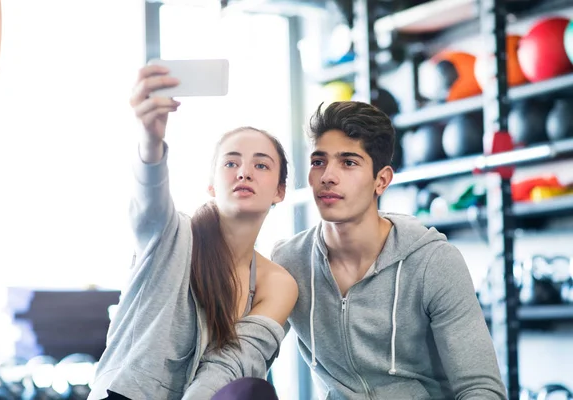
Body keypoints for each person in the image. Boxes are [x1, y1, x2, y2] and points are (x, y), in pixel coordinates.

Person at [271, 101, 508, 399]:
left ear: (381, 180)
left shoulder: (432, 261)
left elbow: (481, 389)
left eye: (348, 162)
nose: (327, 176)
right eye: (319, 162)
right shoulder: (289, 263)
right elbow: (247, 352)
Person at [88, 64, 298, 400]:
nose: (244, 172)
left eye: (261, 165)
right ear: (211, 186)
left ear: (280, 191)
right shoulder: (175, 235)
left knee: (253, 391)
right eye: (230, 163)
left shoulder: (277, 283)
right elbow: (150, 206)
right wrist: (151, 140)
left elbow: (232, 365)